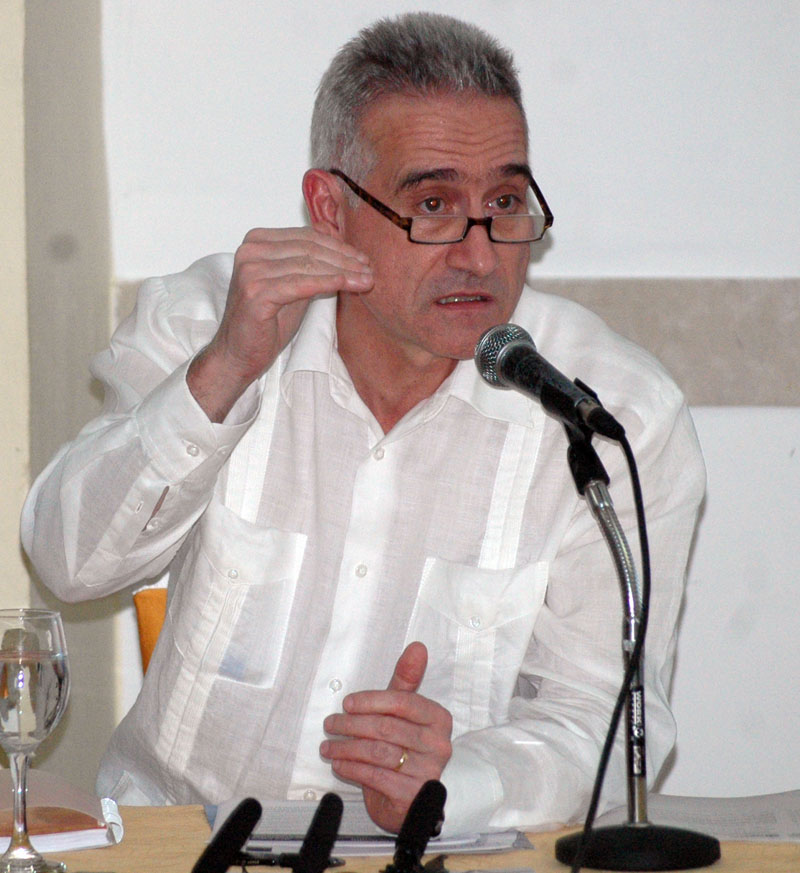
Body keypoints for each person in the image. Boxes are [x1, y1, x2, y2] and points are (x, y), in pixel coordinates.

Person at [21, 12, 704, 836]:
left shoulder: (607, 414)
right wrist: (223, 373)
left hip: (436, 853)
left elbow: (607, 714)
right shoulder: (210, 322)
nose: (480, 254)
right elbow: (70, 562)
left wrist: (459, 781)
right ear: (330, 209)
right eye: (433, 205)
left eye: (504, 203)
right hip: (183, 844)